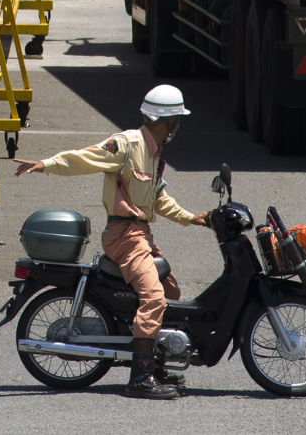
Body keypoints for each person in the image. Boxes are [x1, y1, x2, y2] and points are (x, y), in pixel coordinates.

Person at [13, 84, 209, 400]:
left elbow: (157, 197)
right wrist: (44, 164)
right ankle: (141, 377)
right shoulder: (128, 144)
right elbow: (84, 158)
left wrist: (192, 217)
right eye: (177, 120)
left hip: (141, 235)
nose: (178, 127)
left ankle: (156, 360)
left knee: (171, 293)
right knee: (155, 297)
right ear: (167, 121)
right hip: (124, 237)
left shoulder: (155, 152)